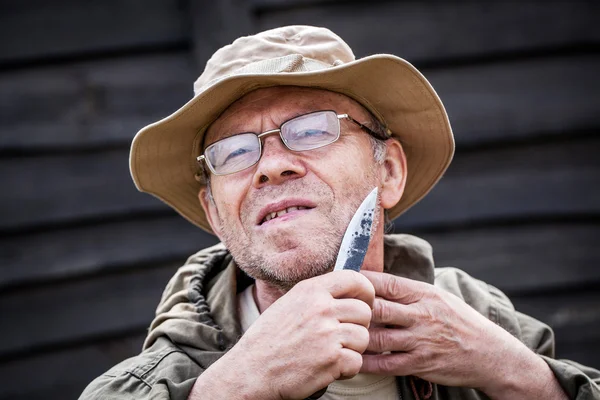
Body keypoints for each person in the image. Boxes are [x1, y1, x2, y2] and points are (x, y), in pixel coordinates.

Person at [80, 25, 600, 400]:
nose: (272, 166)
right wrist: (229, 391)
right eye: (235, 152)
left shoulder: (490, 325)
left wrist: (517, 376)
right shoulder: (151, 386)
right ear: (216, 214)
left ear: (389, 171)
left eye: (312, 129)